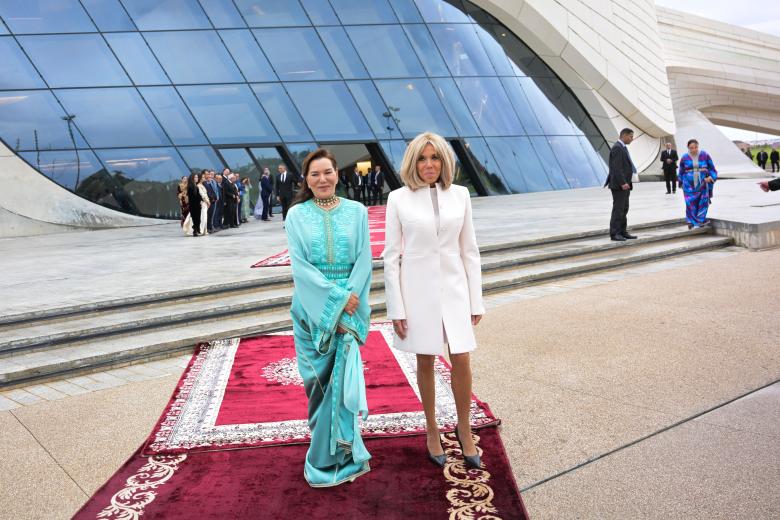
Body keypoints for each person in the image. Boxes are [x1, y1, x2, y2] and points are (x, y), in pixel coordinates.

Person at [383, 132, 485, 469]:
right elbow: (391, 257)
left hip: (455, 289)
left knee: (462, 358)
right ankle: (431, 429)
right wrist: (396, 306)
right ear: (413, 162)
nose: (429, 164)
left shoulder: (460, 195)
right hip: (417, 291)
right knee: (426, 358)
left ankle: (464, 428)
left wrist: (476, 299)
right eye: (423, 158)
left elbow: (469, 250)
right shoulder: (398, 199)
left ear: (444, 161)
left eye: (435, 158)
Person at [285, 148, 372, 487]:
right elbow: (300, 267)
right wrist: (334, 302)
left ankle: (344, 452)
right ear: (306, 180)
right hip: (311, 311)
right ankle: (322, 459)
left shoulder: (357, 211)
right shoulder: (295, 215)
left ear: (338, 173)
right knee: (319, 386)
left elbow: (364, 259)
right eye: (315, 174)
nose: (322, 179)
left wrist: (350, 300)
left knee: (342, 382)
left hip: (351, 305)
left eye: (328, 172)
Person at [605, 128, 638, 242]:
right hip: (620, 185)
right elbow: (617, 168)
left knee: (624, 209)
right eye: (630, 136)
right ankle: (615, 233)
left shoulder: (623, 147)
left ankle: (623, 231)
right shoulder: (617, 148)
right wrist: (623, 182)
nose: (632, 139)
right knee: (618, 209)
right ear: (624, 135)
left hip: (625, 185)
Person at [678, 139, 717, 229]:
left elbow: (712, 168)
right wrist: (680, 182)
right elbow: (681, 170)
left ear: (698, 146)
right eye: (691, 148)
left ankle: (700, 220)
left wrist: (711, 177)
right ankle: (690, 221)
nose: (694, 149)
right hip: (688, 184)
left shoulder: (705, 155)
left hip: (702, 183)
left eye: (695, 147)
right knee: (690, 203)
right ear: (688, 148)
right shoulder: (684, 157)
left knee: (703, 202)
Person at [184, 172, 203, 237]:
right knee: (195, 218)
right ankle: (195, 230)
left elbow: (198, 195)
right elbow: (193, 197)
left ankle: (196, 229)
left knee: (198, 218)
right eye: (195, 177)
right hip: (194, 205)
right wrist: (199, 200)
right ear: (192, 178)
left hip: (197, 205)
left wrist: (201, 200)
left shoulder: (195, 186)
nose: (197, 178)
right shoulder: (191, 186)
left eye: (197, 177)